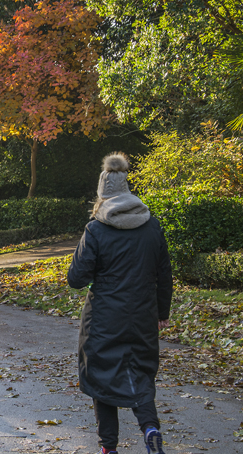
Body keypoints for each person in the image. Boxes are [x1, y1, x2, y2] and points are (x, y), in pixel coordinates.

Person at [67, 152, 172, 454]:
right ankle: (150, 428)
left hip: (103, 319)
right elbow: (164, 274)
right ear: (127, 190)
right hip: (142, 315)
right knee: (138, 373)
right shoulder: (152, 227)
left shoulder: (96, 230)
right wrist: (162, 313)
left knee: (102, 378)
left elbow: (76, 278)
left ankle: (108, 448)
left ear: (102, 194)